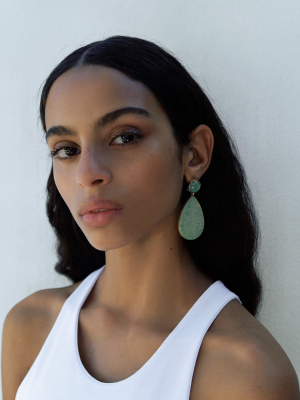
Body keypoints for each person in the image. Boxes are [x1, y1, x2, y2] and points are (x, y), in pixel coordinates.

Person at [1, 35, 299, 400]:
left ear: (194, 156)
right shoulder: (29, 327)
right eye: (67, 149)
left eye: (124, 137)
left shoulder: (246, 371)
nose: (88, 173)